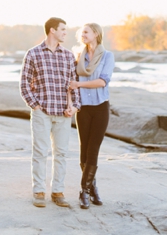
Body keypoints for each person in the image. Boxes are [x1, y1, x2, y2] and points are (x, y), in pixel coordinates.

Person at [19, 17, 81, 208]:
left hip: (63, 114)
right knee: (40, 152)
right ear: (52, 30)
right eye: (63, 29)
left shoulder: (68, 56)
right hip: (42, 113)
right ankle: (39, 191)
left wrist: (75, 106)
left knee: (61, 153)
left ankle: (58, 192)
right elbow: (24, 84)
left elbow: (74, 84)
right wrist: (35, 106)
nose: (65, 32)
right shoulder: (33, 54)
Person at [68, 23, 114, 209]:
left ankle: (83, 191)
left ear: (95, 34)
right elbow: (69, 81)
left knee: (93, 149)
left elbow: (103, 81)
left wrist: (78, 85)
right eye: (81, 32)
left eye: (85, 32)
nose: (82, 34)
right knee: (83, 150)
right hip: (83, 109)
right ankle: (92, 188)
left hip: (101, 107)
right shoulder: (78, 56)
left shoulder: (107, 56)